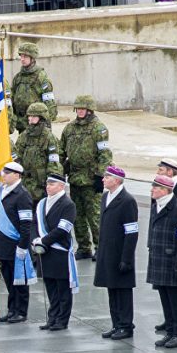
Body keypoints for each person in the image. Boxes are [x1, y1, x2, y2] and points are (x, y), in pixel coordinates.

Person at [60, 94, 112, 260]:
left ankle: (100, 247)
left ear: (90, 109)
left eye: (83, 108)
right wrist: (59, 171)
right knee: (77, 216)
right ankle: (84, 247)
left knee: (94, 216)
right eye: (78, 109)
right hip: (75, 178)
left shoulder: (99, 128)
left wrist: (100, 176)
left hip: (91, 179)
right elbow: (61, 151)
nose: (80, 111)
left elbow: (105, 154)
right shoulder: (69, 129)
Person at [147, 174, 177, 349]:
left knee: (176, 301)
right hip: (159, 260)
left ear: (165, 190)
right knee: (165, 299)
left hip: (172, 261)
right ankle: (170, 331)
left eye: (155, 187)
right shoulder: (156, 207)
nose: (152, 190)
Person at [94, 165, 138, 341]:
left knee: (123, 292)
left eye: (107, 177)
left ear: (117, 180)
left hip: (120, 254)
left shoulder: (127, 201)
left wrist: (126, 259)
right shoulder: (106, 197)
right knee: (112, 289)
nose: (103, 179)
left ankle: (126, 325)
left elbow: (132, 232)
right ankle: (116, 323)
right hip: (107, 252)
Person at [0, 161, 35, 324]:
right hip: (3, 243)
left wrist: (22, 246)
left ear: (17, 175)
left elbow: (26, 224)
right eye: (3, 172)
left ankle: (21, 311)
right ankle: (12, 309)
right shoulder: (3, 191)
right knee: (8, 279)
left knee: (20, 280)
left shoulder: (22, 195)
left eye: (7, 173)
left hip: (16, 244)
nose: (3, 175)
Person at [32, 173, 78, 331]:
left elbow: (63, 229)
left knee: (62, 289)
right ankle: (52, 318)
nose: (48, 186)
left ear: (61, 186)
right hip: (44, 251)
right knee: (50, 287)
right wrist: (35, 239)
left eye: (51, 184)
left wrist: (43, 241)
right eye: (47, 184)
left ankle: (62, 320)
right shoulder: (42, 203)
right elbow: (34, 224)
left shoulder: (68, 204)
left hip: (59, 251)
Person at [14, 103, 63, 203]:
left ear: (42, 118)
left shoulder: (49, 137)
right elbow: (17, 157)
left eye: (34, 116)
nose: (30, 119)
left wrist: (51, 184)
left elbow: (53, 163)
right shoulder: (24, 136)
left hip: (41, 186)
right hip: (25, 184)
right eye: (29, 116)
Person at [11, 42, 57, 133]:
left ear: (32, 58)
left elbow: (49, 103)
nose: (22, 59)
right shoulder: (18, 77)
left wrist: (46, 124)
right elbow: (12, 99)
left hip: (38, 124)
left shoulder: (41, 77)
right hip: (22, 124)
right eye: (21, 56)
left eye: (25, 56)